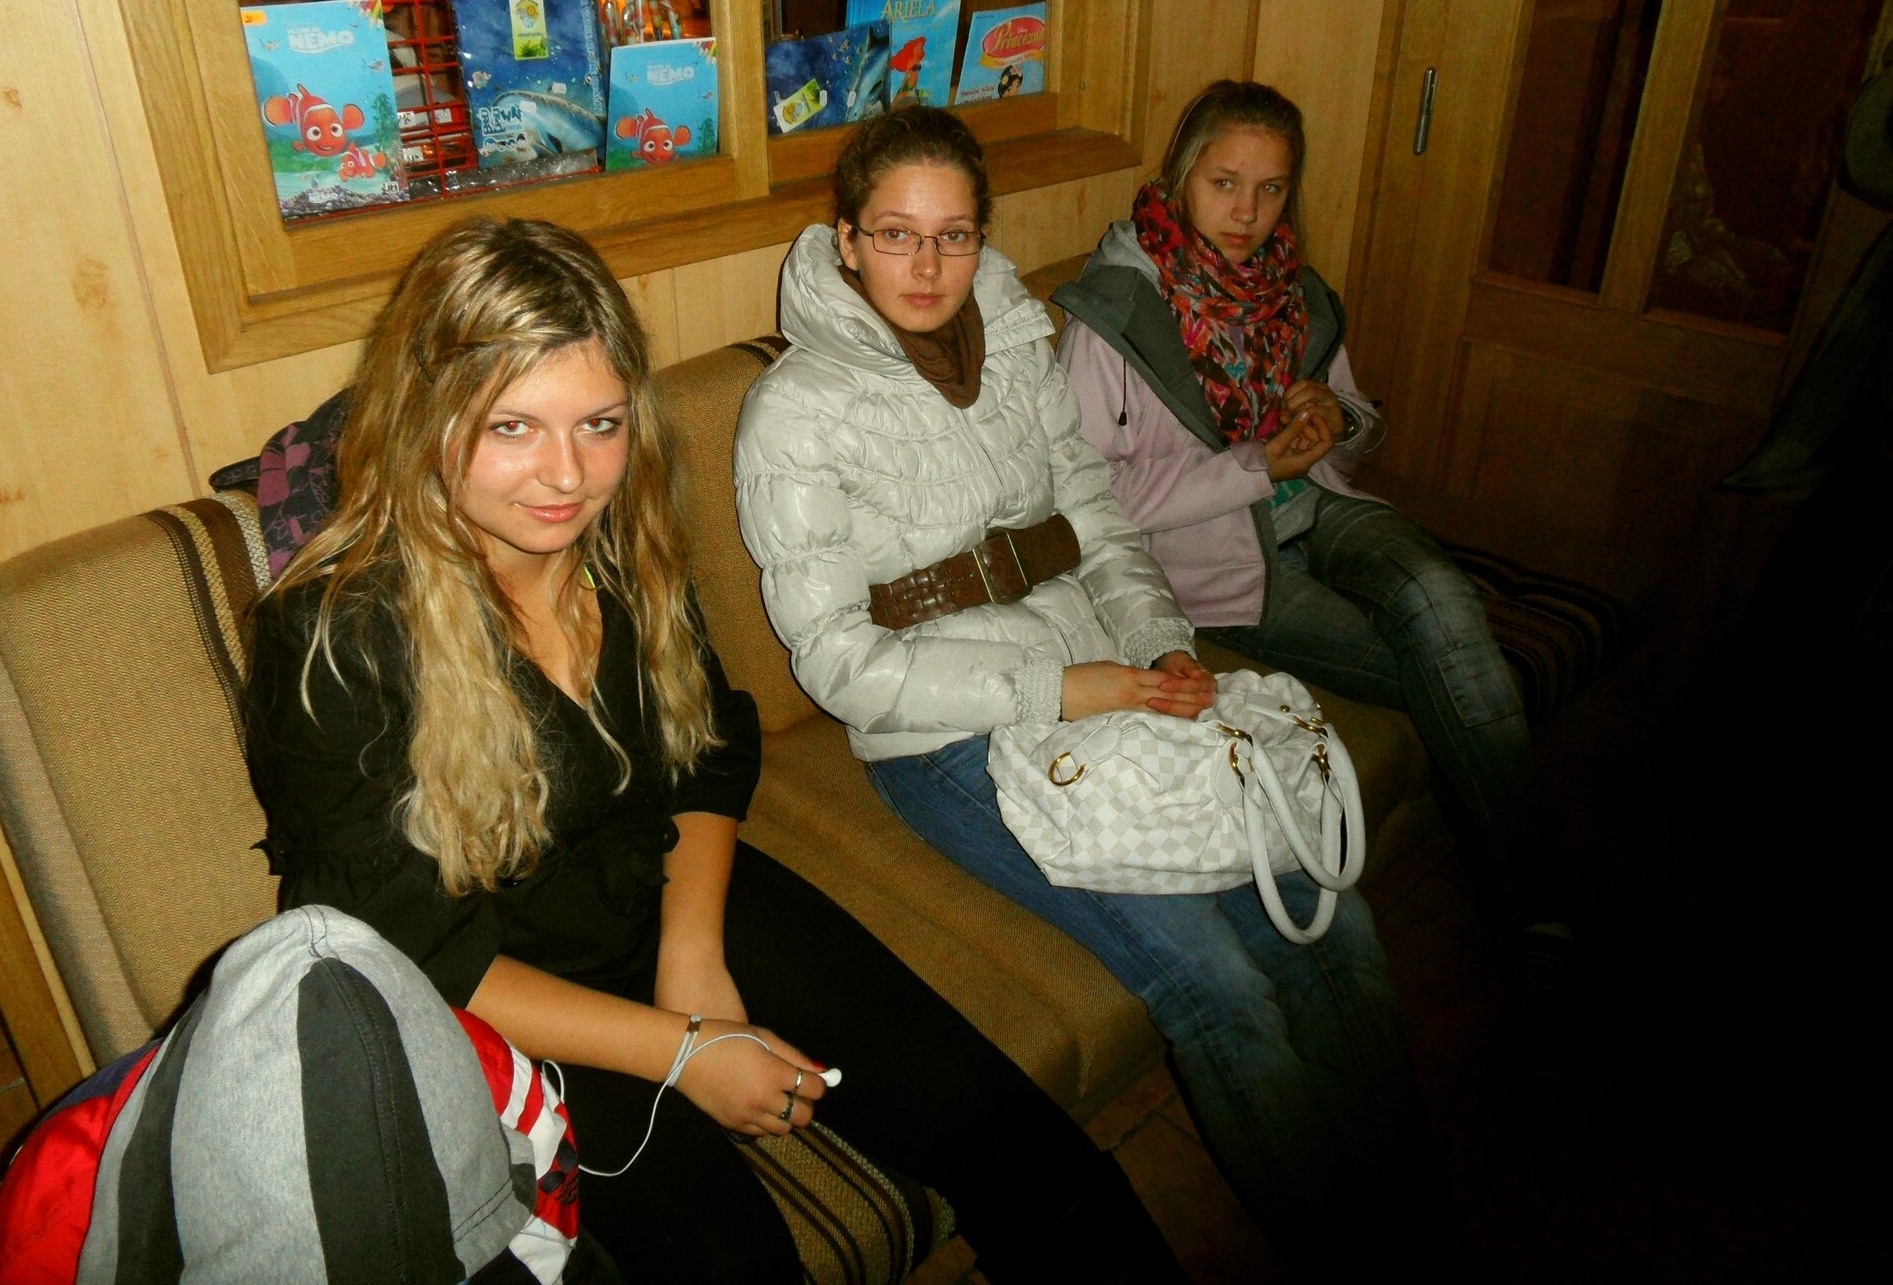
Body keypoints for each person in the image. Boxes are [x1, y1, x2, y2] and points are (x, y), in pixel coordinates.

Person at [244, 216, 1185, 1285]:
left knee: (1006, 1132)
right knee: (736, 1265)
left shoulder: (617, 541)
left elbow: (708, 748)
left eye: (599, 423)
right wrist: (683, 1051)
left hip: (667, 884)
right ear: (427, 418)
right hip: (499, 993)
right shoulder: (331, 635)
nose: (566, 476)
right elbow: (406, 948)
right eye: (512, 427)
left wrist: (691, 955)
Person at [734, 107, 1451, 1268]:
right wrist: (1066, 688)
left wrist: (1165, 648)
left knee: (1330, 915)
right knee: (1215, 983)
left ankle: (1419, 1228)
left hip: (1109, 672)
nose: (928, 266)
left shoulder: (1019, 340)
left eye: (954, 234)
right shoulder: (796, 409)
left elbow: (1101, 519)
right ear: (849, 240)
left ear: (982, 237)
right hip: (945, 734)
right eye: (897, 234)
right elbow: (840, 665)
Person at [1053, 79, 1577, 1024]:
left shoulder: (1291, 289)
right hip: (1219, 570)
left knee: (1444, 601)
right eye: (1224, 183)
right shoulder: (1115, 312)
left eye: (1272, 189)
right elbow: (1095, 499)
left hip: (1322, 507)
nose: (1247, 213)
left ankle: (1533, 909)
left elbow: (1360, 418)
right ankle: (1536, 914)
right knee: (1454, 671)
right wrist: (1257, 466)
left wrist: (1338, 418)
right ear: (1179, 178)